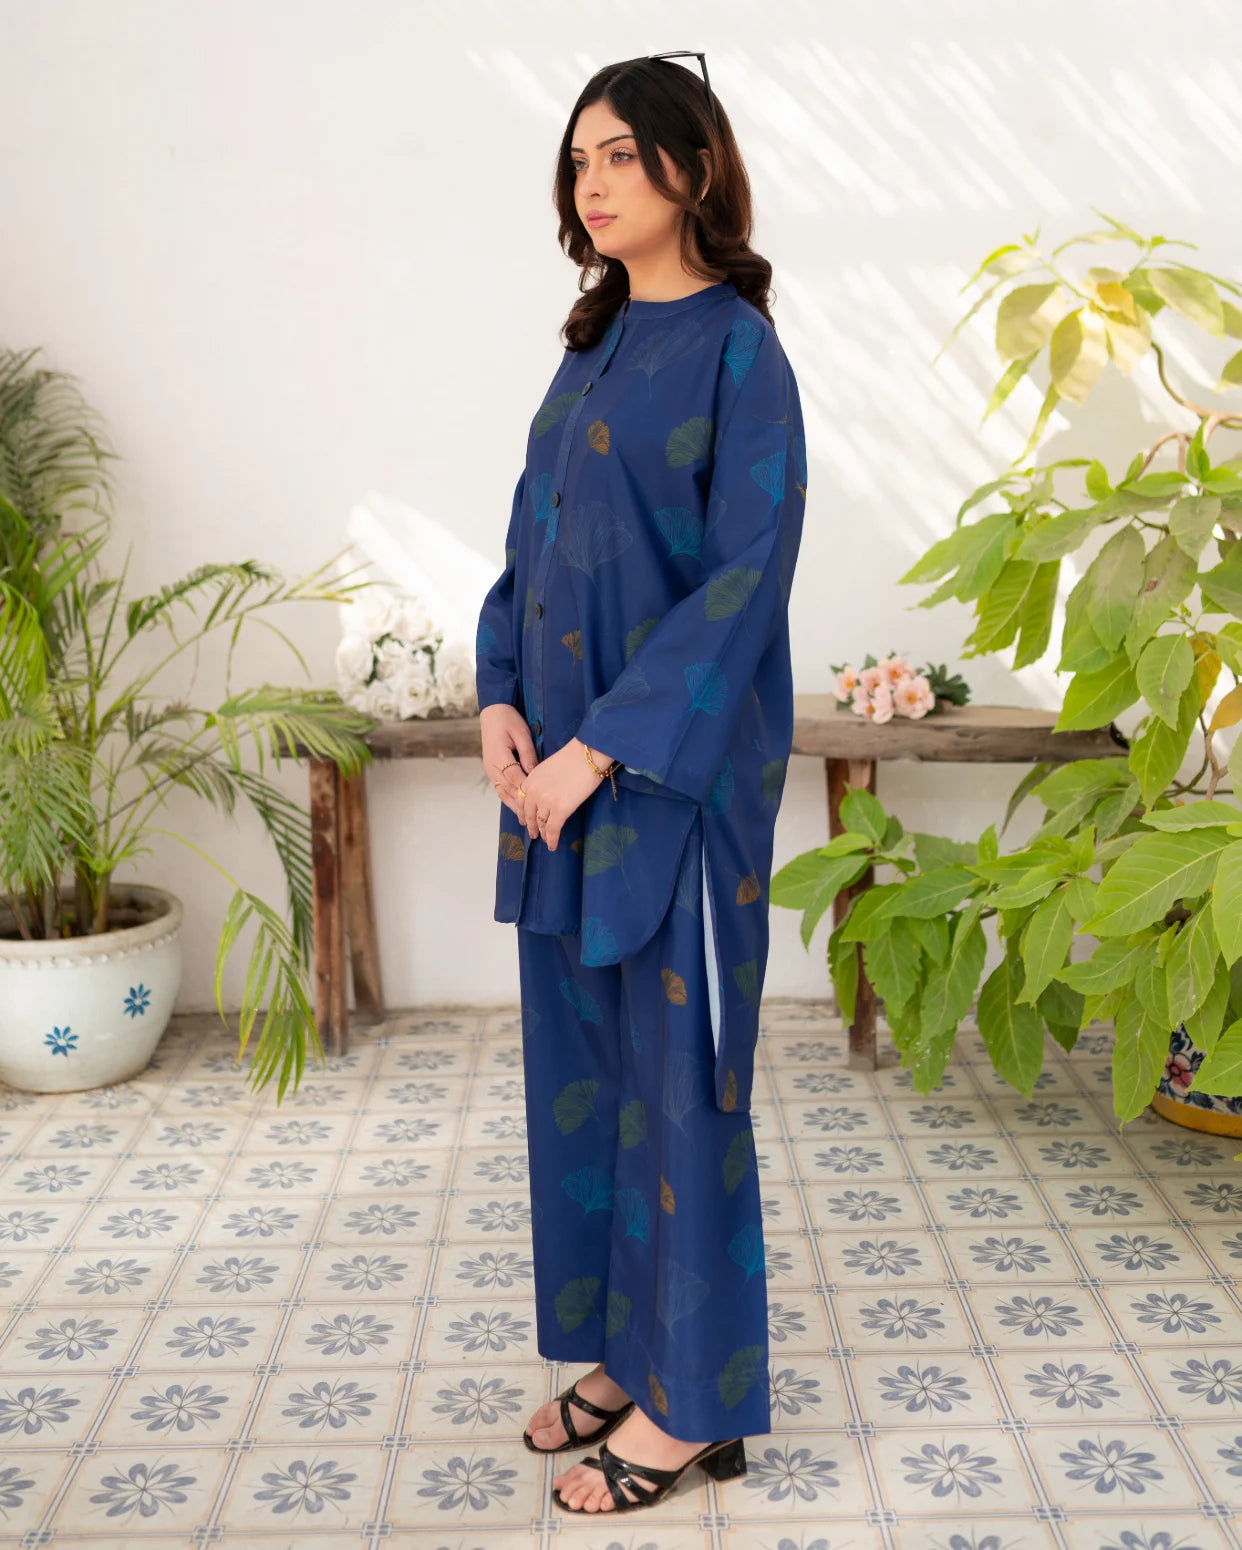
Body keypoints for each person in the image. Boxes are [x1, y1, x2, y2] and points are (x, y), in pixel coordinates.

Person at [474, 52, 807, 1516]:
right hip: (550, 783)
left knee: (681, 1088)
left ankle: (692, 1402)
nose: (590, 183)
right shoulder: (588, 343)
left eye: (617, 155)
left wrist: (597, 750)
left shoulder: (741, 352)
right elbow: (527, 546)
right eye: (577, 162)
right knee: (586, 1078)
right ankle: (621, 1346)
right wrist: (496, 697)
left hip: (659, 787)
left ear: (693, 167)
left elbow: (741, 586)